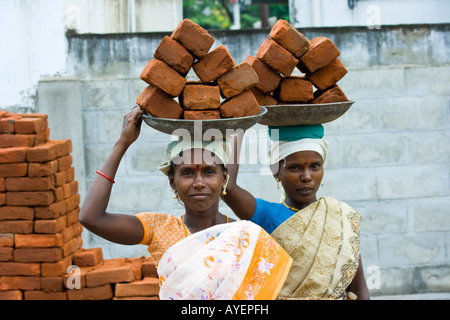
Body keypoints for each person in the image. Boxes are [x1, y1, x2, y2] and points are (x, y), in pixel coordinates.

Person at [79, 105, 292, 300]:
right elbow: (91, 218)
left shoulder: (242, 237)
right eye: (187, 173)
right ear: (172, 181)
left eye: (209, 172)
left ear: (224, 178)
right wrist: (122, 142)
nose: (199, 183)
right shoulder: (159, 229)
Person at [222, 124, 370, 300]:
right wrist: (237, 131)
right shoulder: (268, 215)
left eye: (315, 166)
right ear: (276, 172)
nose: (307, 176)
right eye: (295, 168)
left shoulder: (340, 218)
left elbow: (359, 289)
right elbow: (228, 188)